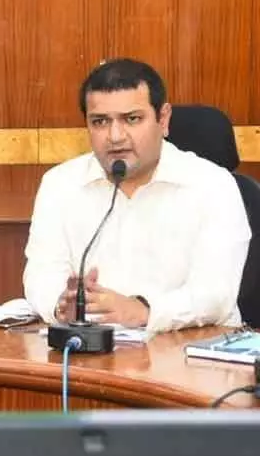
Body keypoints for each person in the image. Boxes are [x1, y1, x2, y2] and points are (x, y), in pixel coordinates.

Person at [23, 57, 250, 335]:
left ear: (163, 119)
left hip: (190, 358)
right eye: (100, 121)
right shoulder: (60, 184)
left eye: (132, 119)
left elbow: (216, 294)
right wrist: (63, 306)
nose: (115, 136)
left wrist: (143, 310)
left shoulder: (212, 185)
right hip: (91, 353)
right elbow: (40, 275)